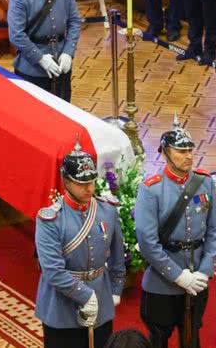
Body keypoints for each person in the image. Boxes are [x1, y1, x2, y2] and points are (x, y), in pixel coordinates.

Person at [134, 117, 216, 348]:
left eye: (190, 150)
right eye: (181, 151)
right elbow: (147, 242)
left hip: (198, 277)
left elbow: (214, 230)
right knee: (158, 338)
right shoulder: (151, 189)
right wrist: (178, 276)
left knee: (192, 337)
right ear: (165, 153)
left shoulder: (204, 182)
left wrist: (205, 270)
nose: (189, 156)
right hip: (161, 282)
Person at [34, 141, 126, 348]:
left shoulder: (107, 210)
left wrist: (116, 289)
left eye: (92, 181)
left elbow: (117, 256)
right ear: (66, 181)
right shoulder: (51, 220)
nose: (89, 188)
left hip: (101, 300)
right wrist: (85, 295)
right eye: (81, 183)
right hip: (61, 308)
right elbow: (52, 271)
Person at [7, 0, 82, 102]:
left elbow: (75, 21)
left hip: (61, 63)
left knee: (64, 112)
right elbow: (16, 35)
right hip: (31, 69)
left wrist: (68, 52)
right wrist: (40, 58)